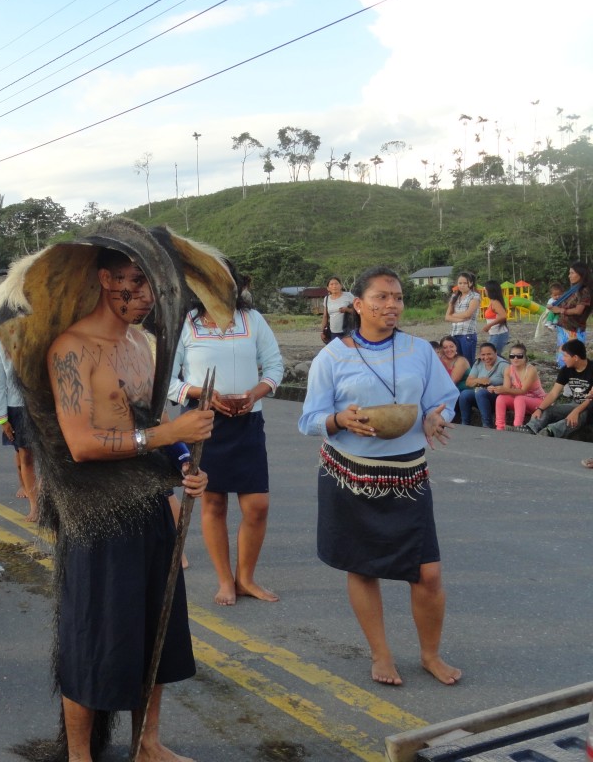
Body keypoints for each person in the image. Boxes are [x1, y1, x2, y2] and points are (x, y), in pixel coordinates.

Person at [29, 224, 214, 761]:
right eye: (130, 281)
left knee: (156, 627)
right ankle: (81, 755)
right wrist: (170, 434)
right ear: (104, 279)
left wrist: (183, 469)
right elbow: (83, 443)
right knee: (95, 635)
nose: (141, 294)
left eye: (150, 283)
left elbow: (151, 426)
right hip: (96, 513)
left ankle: (146, 743)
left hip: (150, 505)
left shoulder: (146, 343)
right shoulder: (71, 350)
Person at [298, 266, 461, 687]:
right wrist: (338, 419)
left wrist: (432, 417)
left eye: (398, 297)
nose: (392, 305)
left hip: (408, 475)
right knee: (362, 568)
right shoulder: (332, 356)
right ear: (358, 305)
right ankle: (381, 654)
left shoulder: (418, 351)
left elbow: (442, 399)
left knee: (428, 572)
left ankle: (430, 654)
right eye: (382, 297)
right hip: (351, 475)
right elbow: (309, 420)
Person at [168, 266, 283, 605]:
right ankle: (225, 581)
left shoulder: (254, 320)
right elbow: (169, 381)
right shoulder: (185, 324)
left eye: (226, 285)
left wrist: (255, 394)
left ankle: (245, 578)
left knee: (257, 505)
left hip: (247, 425)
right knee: (214, 503)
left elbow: (275, 366)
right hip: (203, 423)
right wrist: (204, 393)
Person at [0, 336, 38, 522]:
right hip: (17, 406)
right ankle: (35, 505)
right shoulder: (0, 344)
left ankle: (42, 492)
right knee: (26, 455)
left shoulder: (40, 335)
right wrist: (2, 418)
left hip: (44, 405)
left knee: (52, 457)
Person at [512, 339, 593, 438]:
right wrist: (540, 409)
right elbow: (554, 393)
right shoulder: (566, 370)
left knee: (577, 416)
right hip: (575, 404)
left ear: (575, 357)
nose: (563, 359)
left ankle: (549, 432)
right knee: (549, 410)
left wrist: (576, 411)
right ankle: (530, 428)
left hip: (590, 407)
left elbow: (590, 399)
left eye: (565, 356)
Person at [490, 343, 545, 430]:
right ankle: (500, 426)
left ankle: (517, 426)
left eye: (519, 356)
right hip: (519, 402)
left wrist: (503, 389)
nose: (515, 358)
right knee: (501, 398)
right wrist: (495, 389)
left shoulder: (531, 370)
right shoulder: (508, 369)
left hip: (538, 401)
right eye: (512, 356)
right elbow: (506, 389)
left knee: (520, 398)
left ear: (525, 357)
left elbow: (523, 391)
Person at [547, 262, 593, 367]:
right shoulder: (573, 289)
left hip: (574, 331)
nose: (569, 276)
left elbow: (578, 310)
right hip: (564, 329)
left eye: (572, 273)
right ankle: (565, 378)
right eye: (569, 273)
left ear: (581, 274)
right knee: (564, 357)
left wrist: (560, 310)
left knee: (571, 358)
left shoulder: (584, 290)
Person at [456, 342, 507, 428]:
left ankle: (487, 424)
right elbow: (468, 382)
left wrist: (492, 385)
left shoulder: (504, 365)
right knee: (465, 394)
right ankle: (465, 424)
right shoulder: (478, 363)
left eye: (489, 354)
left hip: (497, 397)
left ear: (495, 353)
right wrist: (479, 380)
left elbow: (509, 386)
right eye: (483, 355)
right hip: (480, 397)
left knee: (481, 393)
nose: (486, 358)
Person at [444, 271, 480, 365]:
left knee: (468, 362)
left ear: (470, 283)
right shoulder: (454, 297)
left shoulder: (474, 296)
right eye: (460, 283)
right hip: (455, 334)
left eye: (465, 283)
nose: (462, 285)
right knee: (457, 362)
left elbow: (468, 314)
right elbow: (447, 317)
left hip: (467, 334)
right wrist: (460, 317)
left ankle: (470, 379)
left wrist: (454, 314)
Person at [321, 276, 354, 343]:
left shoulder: (348, 296)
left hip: (348, 331)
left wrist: (347, 310)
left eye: (336, 284)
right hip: (334, 332)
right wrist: (323, 332)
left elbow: (360, 310)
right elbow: (325, 316)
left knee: (349, 351)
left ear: (341, 286)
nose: (334, 286)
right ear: (328, 288)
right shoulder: (327, 299)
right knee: (335, 352)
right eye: (331, 284)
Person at [480, 280, 509, 356]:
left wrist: (489, 325)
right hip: (495, 333)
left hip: (499, 334)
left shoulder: (495, 302)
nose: (484, 291)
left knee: (493, 356)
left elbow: (503, 316)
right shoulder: (493, 302)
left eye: (485, 289)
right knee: (493, 355)